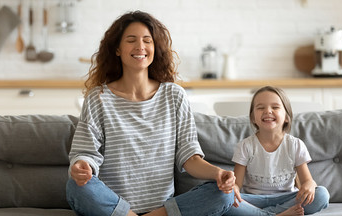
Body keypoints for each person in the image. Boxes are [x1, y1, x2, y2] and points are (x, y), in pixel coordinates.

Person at [66, 10, 235, 216]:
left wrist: (219, 173)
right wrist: (81, 165)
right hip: (113, 204)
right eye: (131, 40)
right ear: (117, 49)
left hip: (162, 209)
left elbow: (189, 157)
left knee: (224, 194)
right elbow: (86, 153)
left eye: (147, 40)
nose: (140, 46)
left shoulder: (174, 95)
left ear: (155, 48)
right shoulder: (98, 98)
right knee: (76, 187)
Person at [224, 86, 329, 216]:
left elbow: (307, 181)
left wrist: (311, 185)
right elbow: (237, 185)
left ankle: (261, 214)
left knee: (322, 194)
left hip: (287, 198)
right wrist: (232, 190)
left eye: (275, 107)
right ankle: (279, 214)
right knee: (223, 199)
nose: (268, 111)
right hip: (253, 200)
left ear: (286, 116)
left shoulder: (295, 145)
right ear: (252, 117)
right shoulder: (245, 146)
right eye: (261, 107)